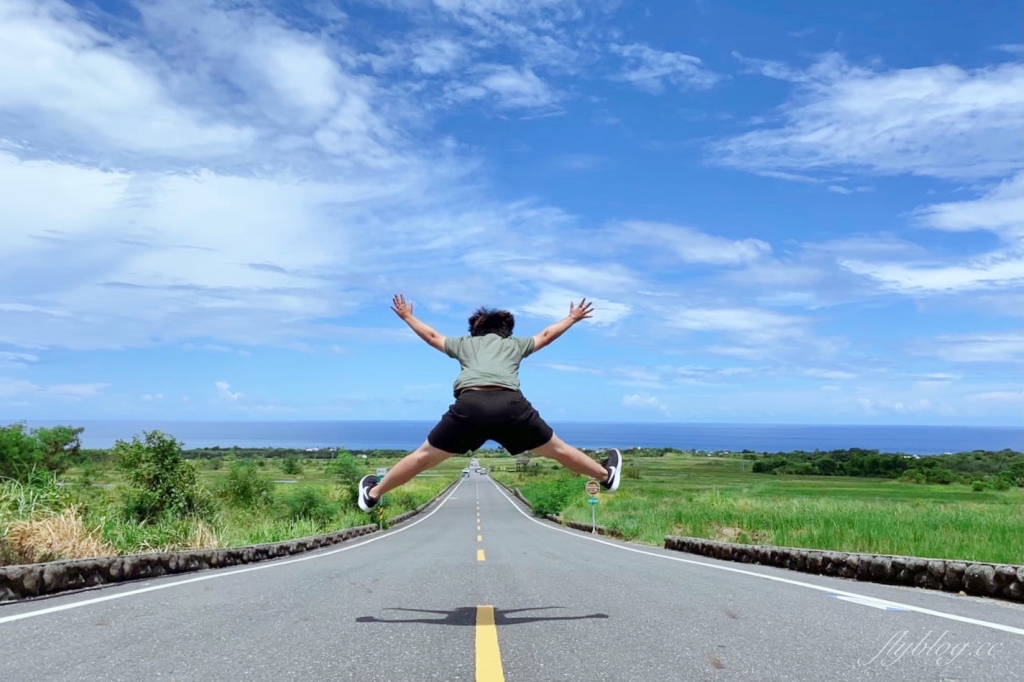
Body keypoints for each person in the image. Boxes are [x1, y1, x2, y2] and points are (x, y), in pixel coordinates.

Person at [357, 294, 621, 512]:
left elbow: (432, 337)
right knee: (559, 450)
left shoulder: (465, 344)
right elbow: (546, 335)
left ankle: (373, 494)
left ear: (475, 330)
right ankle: (605, 476)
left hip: (470, 407)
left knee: (423, 457)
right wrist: (573, 318)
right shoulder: (514, 345)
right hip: (511, 407)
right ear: (506, 331)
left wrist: (407, 316)